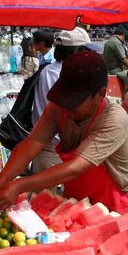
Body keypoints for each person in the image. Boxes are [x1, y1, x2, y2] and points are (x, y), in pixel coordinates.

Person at [0, 50, 128, 213]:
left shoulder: (114, 119)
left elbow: (76, 167)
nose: (67, 106)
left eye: (74, 101)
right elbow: (31, 145)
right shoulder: (58, 108)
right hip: (76, 199)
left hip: (113, 202)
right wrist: (0, 180)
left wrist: (20, 185)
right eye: (65, 98)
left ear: (100, 94)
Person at [31, 27, 92, 173]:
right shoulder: (63, 75)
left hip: (47, 146)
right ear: (76, 52)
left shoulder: (48, 70)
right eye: (87, 52)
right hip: (56, 146)